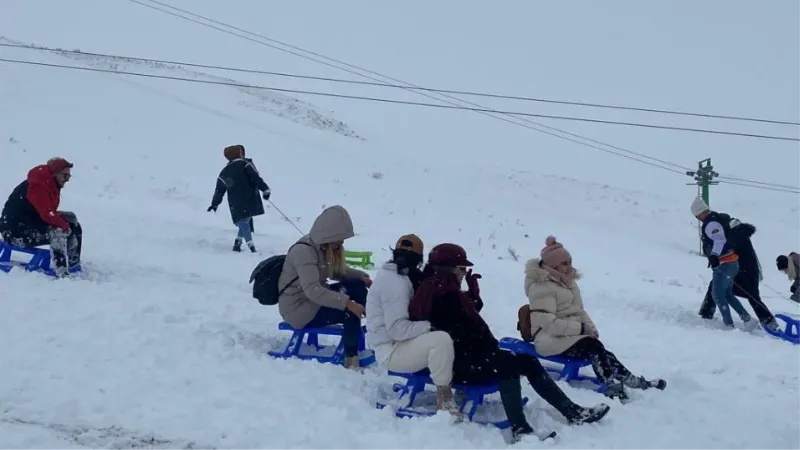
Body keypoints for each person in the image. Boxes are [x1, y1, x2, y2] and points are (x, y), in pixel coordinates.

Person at [408, 243, 610, 442]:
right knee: (508, 363)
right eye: (461, 268)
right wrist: (489, 347)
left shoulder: (441, 288)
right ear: (447, 268)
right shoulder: (442, 293)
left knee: (527, 361)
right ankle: (520, 428)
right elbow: (460, 332)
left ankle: (572, 412)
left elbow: (465, 318)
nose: (464, 273)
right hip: (456, 364)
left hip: (469, 356)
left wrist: (473, 295)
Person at [520, 236, 666, 404]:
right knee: (594, 348)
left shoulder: (568, 282)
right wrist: (582, 330)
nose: (570, 267)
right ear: (553, 266)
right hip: (549, 338)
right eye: (565, 263)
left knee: (602, 351)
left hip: (569, 334)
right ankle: (610, 385)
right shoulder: (541, 287)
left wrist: (590, 327)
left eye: (570, 262)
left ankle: (636, 382)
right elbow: (549, 324)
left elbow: (579, 311)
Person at [365, 234, 460, 416]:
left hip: (394, 343)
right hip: (391, 351)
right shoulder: (395, 283)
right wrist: (430, 325)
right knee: (441, 340)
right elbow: (397, 330)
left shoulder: (398, 275)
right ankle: (444, 398)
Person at [277, 205, 372, 370]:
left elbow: (335, 272)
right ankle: (351, 356)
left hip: (310, 302)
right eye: (339, 240)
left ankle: (374, 318)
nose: (341, 243)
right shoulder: (304, 252)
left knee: (355, 287)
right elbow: (313, 290)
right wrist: (348, 303)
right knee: (349, 308)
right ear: (329, 236)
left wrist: (360, 276)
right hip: (298, 310)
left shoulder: (320, 246)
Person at [0, 157, 82, 276]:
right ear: (56, 174)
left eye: (68, 177)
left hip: (31, 221)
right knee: (58, 231)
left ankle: (74, 263)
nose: (67, 180)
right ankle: (62, 273)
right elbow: (47, 214)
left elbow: (47, 212)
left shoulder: (51, 183)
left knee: (72, 220)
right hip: (15, 231)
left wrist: (67, 224)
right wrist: (65, 227)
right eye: (65, 176)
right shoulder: (38, 186)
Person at [698, 218, 779, 330]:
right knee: (751, 297)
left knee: (721, 289)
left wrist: (714, 254)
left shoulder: (736, 235)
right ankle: (768, 321)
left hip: (741, 272)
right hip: (746, 271)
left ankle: (709, 313)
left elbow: (726, 248)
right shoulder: (741, 234)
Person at [691, 196, 756, 329]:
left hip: (724, 263)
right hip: (730, 262)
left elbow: (719, 240)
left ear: (701, 212)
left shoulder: (711, 224)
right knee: (727, 294)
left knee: (718, 295)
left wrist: (714, 256)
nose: (698, 219)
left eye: (697, 216)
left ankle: (729, 325)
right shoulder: (715, 220)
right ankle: (747, 319)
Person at [207, 144, 271, 253]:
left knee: (244, 221)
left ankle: (238, 242)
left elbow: (219, 190)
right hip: (249, 197)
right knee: (245, 221)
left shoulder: (224, 172)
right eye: (241, 152)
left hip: (235, 201)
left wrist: (214, 204)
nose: (243, 154)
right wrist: (265, 189)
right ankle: (251, 246)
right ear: (237, 154)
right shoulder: (245, 164)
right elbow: (255, 178)